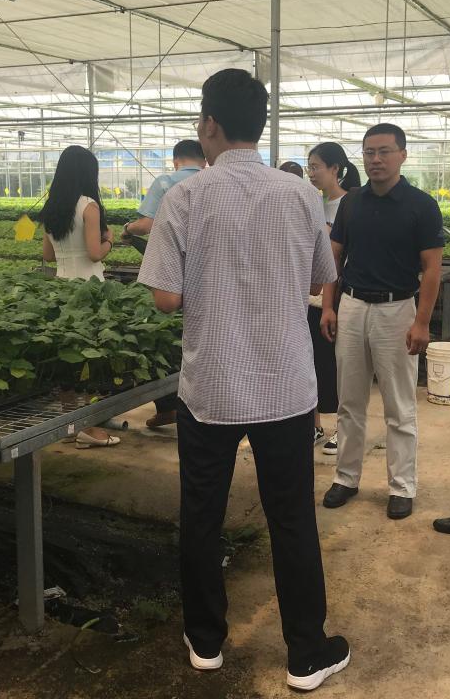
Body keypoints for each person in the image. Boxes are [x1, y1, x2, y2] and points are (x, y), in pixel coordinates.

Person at [138, 68, 350, 691]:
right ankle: (306, 653)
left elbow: (166, 300)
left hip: (211, 387)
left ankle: (206, 641)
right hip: (285, 385)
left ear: (209, 124)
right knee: (292, 518)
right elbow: (319, 278)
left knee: (202, 514)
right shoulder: (301, 195)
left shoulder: (184, 198)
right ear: (259, 124)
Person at [319, 123, 444, 521]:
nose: (376, 159)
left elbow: (432, 268)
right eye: (369, 152)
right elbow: (334, 257)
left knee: (399, 405)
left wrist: (422, 322)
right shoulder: (352, 203)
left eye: (384, 151)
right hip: (353, 306)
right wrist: (328, 306)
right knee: (349, 401)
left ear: (402, 155)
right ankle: (346, 477)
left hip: (397, 309)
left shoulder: (421, 205)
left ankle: (401, 486)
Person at [39, 145, 120, 448]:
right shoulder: (89, 206)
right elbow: (95, 253)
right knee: (92, 358)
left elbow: (48, 255)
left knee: (68, 357)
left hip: (61, 288)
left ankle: (70, 423)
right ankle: (90, 427)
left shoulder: (52, 208)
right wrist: (110, 241)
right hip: (90, 291)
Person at [121, 139, 206, 429]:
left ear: (175, 160)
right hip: (207, 277)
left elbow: (145, 225)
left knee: (168, 336)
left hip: (172, 274)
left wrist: (127, 229)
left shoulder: (167, 183)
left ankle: (171, 404)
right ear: (204, 160)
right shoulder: (213, 182)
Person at [306, 142, 361, 455]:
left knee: (342, 365)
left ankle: (344, 428)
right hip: (310, 297)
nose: (311, 173)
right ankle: (313, 425)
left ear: (335, 169)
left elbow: (343, 257)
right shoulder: (312, 203)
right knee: (312, 362)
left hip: (339, 296)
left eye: (316, 166)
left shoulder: (351, 204)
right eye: (309, 167)